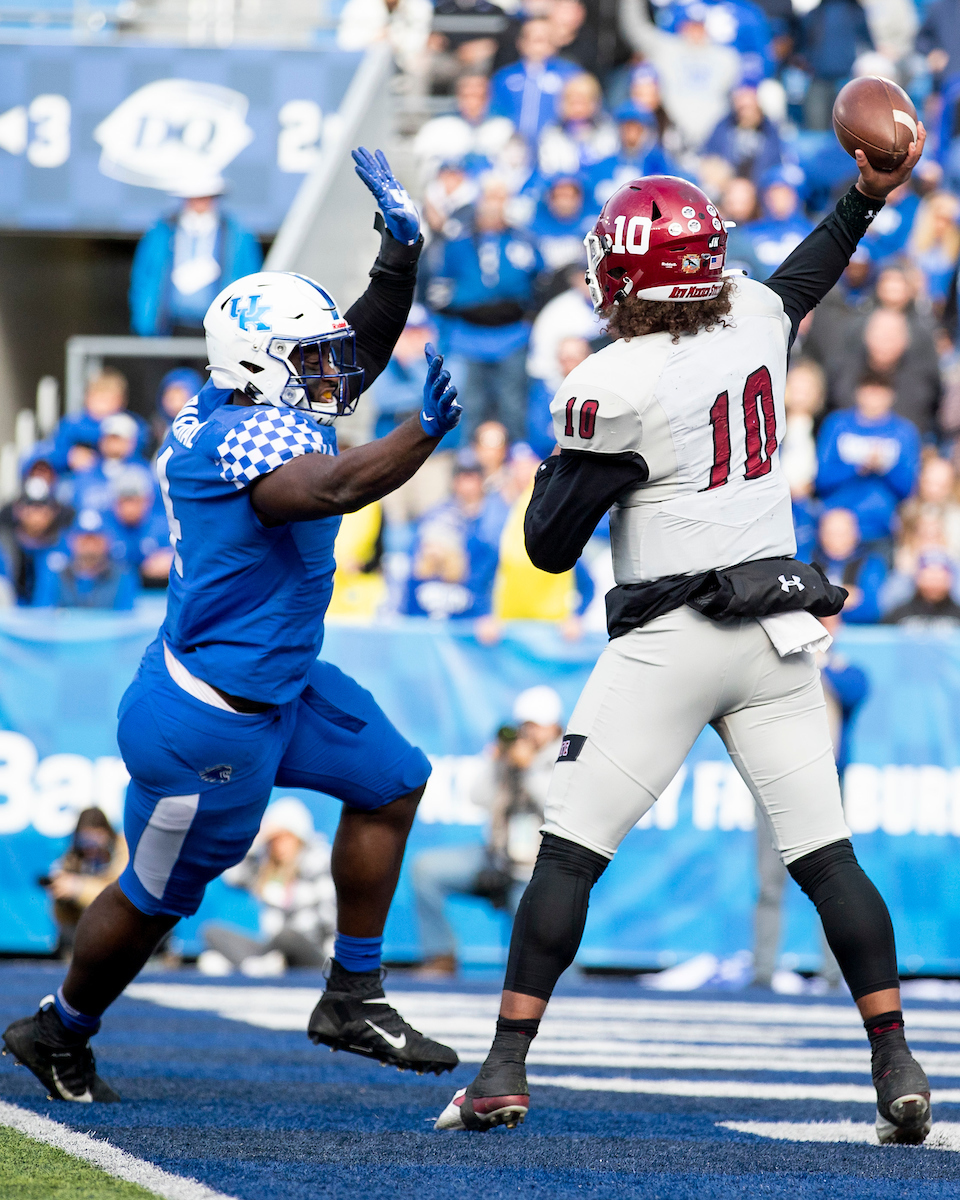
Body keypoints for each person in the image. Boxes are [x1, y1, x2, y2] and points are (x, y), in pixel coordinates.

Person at [436, 140, 933, 1145]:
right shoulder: (751, 314)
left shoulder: (612, 381)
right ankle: (896, 1060)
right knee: (828, 859)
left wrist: (560, 466)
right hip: (776, 635)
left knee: (567, 857)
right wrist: (865, 196)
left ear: (627, 275)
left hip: (672, 640)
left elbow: (547, 547)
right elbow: (806, 275)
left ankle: (502, 1067)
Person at [3, 146, 461, 1104]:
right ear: (262, 364)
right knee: (158, 898)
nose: (334, 369)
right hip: (209, 720)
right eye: (312, 357)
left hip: (279, 687)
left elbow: (354, 355)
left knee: (393, 781)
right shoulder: (231, 442)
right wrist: (419, 434)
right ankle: (59, 1029)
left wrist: (399, 257)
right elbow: (330, 487)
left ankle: (353, 993)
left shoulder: (256, 395)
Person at [411, 687, 564, 976]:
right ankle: (441, 957)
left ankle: (570, 986)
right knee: (425, 869)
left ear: (553, 726)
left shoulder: (566, 756)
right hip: (494, 859)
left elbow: (553, 805)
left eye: (535, 726)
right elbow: (476, 796)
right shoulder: (511, 757)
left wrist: (529, 768)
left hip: (534, 872)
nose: (529, 734)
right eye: (525, 726)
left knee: (541, 959)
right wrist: (494, 760)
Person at [753, 612, 868, 989]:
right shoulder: (775, 663)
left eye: (828, 620)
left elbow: (856, 691)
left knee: (833, 882)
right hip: (774, 778)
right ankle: (762, 972)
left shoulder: (844, 668)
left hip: (824, 783)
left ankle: (834, 975)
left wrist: (820, 662)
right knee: (769, 883)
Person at [429, 181, 543, 442]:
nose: (492, 210)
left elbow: (539, 280)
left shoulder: (523, 241)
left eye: (498, 201)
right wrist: (466, 299)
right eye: (488, 202)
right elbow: (440, 288)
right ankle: (467, 458)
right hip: (468, 335)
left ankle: (517, 454)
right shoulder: (458, 243)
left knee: (512, 404)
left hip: (512, 334)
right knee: (468, 404)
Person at [199, 798, 336, 976]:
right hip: (271, 949)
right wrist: (258, 839)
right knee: (211, 932)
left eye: (286, 838)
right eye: (275, 840)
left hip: (312, 950)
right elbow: (232, 875)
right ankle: (262, 964)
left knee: (287, 936)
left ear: (300, 838)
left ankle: (249, 965)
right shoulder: (267, 867)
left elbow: (330, 920)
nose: (280, 846)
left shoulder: (317, 863)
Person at [129, 183, 263, 337]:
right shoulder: (161, 231)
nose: (199, 203)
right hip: (169, 326)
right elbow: (144, 278)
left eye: (205, 197)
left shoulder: (237, 233)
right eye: (194, 198)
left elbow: (250, 281)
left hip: (218, 329)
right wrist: (145, 322)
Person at [816, 374, 921, 548]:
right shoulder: (837, 424)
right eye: (869, 391)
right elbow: (822, 479)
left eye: (880, 392)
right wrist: (857, 468)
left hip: (881, 529)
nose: (874, 399)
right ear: (858, 392)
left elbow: (908, 487)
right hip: (836, 530)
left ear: (891, 396)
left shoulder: (904, 432)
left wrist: (884, 468)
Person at [830, 308, 942, 438]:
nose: (885, 342)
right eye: (880, 334)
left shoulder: (923, 378)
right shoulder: (844, 372)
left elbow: (935, 414)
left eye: (892, 336)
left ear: (906, 341)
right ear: (866, 336)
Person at [44, 809, 128, 958]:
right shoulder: (74, 858)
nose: (90, 848)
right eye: (84, 841)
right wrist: (62, 897)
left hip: (126, 931)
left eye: (94, 840)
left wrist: (79, 888)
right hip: (87, 934)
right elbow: (63, 918)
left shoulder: (125, 852)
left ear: (107, 834)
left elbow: (122, 897)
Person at [488, 19, 581, 145]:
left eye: (546, 39)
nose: (540, 45)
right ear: (521, 42)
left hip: (557, 145)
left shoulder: (571, 75)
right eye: (535, 39)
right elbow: (493, 113)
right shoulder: (504, 77)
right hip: (512, 146)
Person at [32, 509, 138, 611]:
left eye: (96, 538)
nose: (90, 545)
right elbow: (42, 614)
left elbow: (125, 617)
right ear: (71, 540)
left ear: (108, 541)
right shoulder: (55, 575)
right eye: (84, 538)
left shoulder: (122, 576)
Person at [0, 477, 73, 605]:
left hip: (54, 615)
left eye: (42, 505)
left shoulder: (67, 546)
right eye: (30, 505)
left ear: (54, 510)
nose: (36, 513)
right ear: (17, 509)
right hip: (10, 614)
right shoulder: (4, 546)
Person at [814, 507, 887, 624]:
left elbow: (871, 609)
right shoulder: (808, 561)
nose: (835, 539)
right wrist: (844, 598)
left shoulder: (871, 563)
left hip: (858, 631)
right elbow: (799, 604)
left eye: (842, 533)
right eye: (830, 533)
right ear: (820, 534)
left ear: (855, 534)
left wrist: (823, 601)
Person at [702, 83, 786, 184]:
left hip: (759, 184)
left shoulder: (770, 132)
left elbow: (775, 164)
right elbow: (709, 155)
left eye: (749, 108)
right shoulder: (724, 127)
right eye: (741, 108)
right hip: (728, 184)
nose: (745, 113)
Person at [882, 550, 960, 629]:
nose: (933, 583)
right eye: (929, 578)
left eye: (939, 578)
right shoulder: (899, 614)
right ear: (917, 578)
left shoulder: (957, 614)